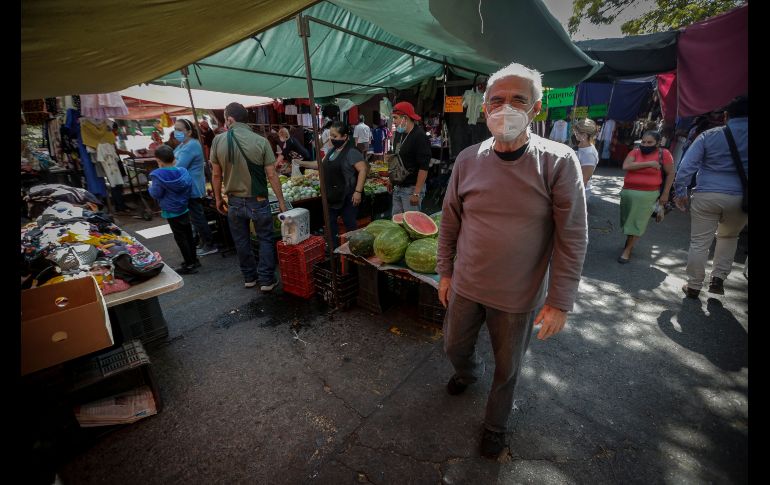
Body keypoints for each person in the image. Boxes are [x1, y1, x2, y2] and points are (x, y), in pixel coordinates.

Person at [436, 62, 588, 458]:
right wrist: (445, 273)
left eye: (518, 100)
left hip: (518, 297)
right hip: (466, 285)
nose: (506, 108)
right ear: (484, 108)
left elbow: (572, 236)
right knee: (453, 347)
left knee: (508, 370)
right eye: (497, 100)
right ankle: (469, 373)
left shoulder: (558, 161)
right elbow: (450, 221)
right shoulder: (467, 159)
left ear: (536, 108)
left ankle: (495, 424)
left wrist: (559, 301)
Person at [675, 94, 748, 298]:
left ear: (726, 116)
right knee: (729, 236)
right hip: (741, 199)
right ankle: (718, 279)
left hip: (707, 195)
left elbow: (686, 168)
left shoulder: (709, 135)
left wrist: (680, 192)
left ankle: (694, 285)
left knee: (699, 242)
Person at [210, 102, 287, 291]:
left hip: (234, 201)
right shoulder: (261, 141)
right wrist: (281, 202)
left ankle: (249, 277)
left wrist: (218, 198)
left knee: (241, 240)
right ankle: (267, 280)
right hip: (258, 200)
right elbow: (272, 175)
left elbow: (216, 174)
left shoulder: (218, 141)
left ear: (229, 119)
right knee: (265, 238)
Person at [294, 122, 368, 246]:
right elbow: (319, 164)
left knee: (349, 223)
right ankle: (335, 249)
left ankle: (355, 248)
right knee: (330, 223)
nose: (331, 139)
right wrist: (300, 163)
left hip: (348, 196)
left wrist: (358, 191)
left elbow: (363, 169)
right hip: (333, 195)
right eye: (330, 135)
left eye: (335, 136)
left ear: (344, 136)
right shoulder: (333, 150)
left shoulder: (351, 152)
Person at [617, 130, 674, 264]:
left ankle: (627, 251)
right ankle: (630, 240)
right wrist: (649, 164)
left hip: (648, 195)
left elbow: (671, 174)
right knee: (627, 221)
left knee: (638, 222)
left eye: (649, 142)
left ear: (658, 143)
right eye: (643, 142)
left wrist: (665, 194)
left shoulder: (664, 154)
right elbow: (626, 166)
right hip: (628, 193)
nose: (645, 145)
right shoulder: (635, 152)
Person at [148, 145, 200, 275]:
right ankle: (194, 260)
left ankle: (189, 264)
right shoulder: (183, 171)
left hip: (171, 211)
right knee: (188, 235)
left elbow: (156, 193)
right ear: (173, 158)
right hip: (184, 208)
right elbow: (189, 187)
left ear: (159, 160)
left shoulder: (158, 175)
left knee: (181, 238)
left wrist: (150, 187)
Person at [172, 118, 217, 257]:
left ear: (189, 132)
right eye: (175, 129)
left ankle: (210, 244)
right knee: (194, 218)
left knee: (197, 217)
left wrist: (172, 163)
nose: (176, 132)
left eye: (180, 129)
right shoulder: (182, 145)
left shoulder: (192, 145)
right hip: (186, 187)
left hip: (192, 187)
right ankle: (203, 242)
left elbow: (178, 166)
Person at [390, 101, 432, 214]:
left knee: (411, 222)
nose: (393, 121)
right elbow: (397, 157)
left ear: (405, 118)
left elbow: (424, 167)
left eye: (395, 118)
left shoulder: (420, 136)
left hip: (411, 189)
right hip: (398, 187)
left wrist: (416, 193)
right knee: (396, 220)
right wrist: (392, 180)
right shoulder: (399, 133)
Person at [573, 118, 600, 200]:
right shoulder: (581, 145)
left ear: (584, 135)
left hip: (579, 191)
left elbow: (584, 179)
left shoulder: (589, 154)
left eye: (576, 133)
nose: (575, 134)